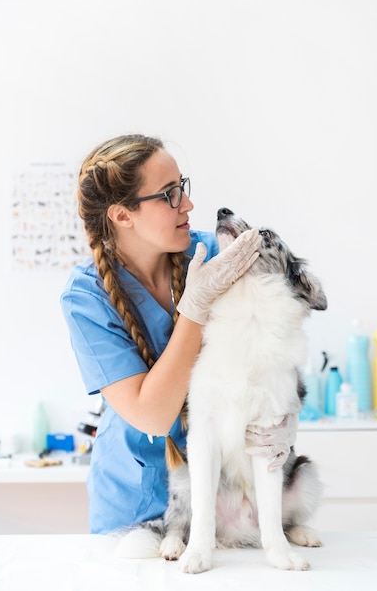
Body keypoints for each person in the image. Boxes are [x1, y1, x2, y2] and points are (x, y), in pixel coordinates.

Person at [60, 134, 297, 534]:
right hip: (135, 505)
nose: (187, 205)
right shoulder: (86, 296)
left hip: (221, 505)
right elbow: (153, 416)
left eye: (182, 187)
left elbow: (271, 343)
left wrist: (286, 416)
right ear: (122, 215)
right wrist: (195, 306)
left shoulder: (213, 255)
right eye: (169, 194)